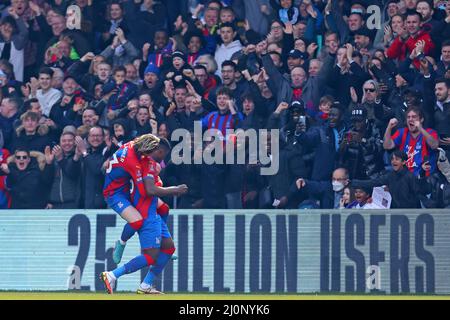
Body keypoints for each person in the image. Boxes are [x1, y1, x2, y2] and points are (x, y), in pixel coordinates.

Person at [100, 134, 187, 294]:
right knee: (147, 248)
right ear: (153, 150)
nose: (162, 159)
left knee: (168, 247)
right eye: (161, 154)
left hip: (141, 200)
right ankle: (113, 271)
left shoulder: (139, 151)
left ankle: (146, 285)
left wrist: (156, 180)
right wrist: (174, 189)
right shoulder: (140, 164)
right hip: (120, 195)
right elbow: (148, 190)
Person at [383, 107, 439, 177]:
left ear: (421, 119)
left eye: (414, 117)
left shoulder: (430, 132)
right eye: (408, 117)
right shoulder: (402, 132)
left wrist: (420, 128)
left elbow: (434, 145)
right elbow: (387, 146)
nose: (410, 119)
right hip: (405, 177)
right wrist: (389, 128)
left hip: (424, 177)